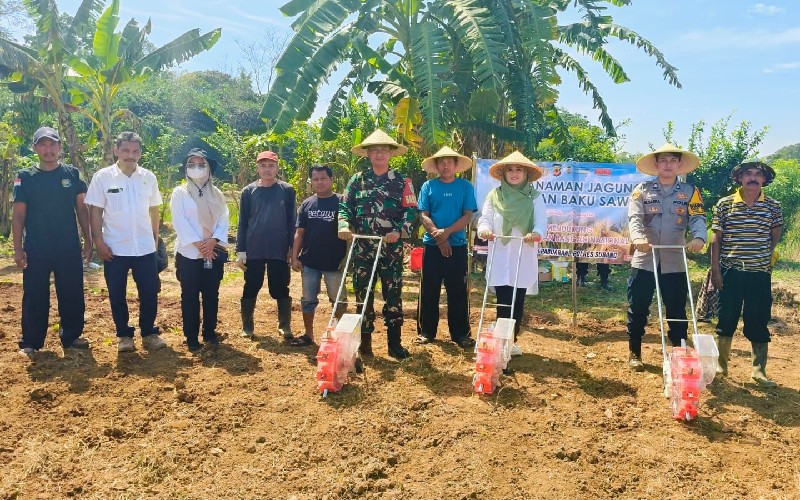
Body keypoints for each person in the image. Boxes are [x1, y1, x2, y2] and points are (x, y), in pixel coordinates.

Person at [12, 127, 92, 359]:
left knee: (72, 291)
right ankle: (31, 341)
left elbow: (82, 209)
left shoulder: (72, 174)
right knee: (35, 293)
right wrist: (18, 249)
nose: (48, 149)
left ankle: (71, 336)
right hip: (37, 247)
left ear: (60, 147)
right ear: (35, 148)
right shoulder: (25, 177)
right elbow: (18, 216)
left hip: (68, 246)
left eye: (53, 144)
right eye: (43, 145)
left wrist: (88, 239)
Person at [338, 130, 418, 360]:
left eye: (383, 150)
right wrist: (344, 226)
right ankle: (364, 344)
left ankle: (395, 344)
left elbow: (411, 211)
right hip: (363, 249)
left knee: (393, 296)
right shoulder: (357, 180)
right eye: (375, 150)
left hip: (391, 250)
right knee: (363, 297)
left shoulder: (403, 181)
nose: (379, 154)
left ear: (391, 153)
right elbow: (345, 207)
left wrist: (399, 231)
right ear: (368, 154)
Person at [626, 143, 706, 371]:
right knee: (638, 306)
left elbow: (698, 218)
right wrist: (638, 238)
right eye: (663, 160)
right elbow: (635, 218)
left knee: (677, 309)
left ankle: (680, 354)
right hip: (645, 257)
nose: (668, 164)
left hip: (674, 259)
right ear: (656, 164)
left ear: (680, 165)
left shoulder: (691, 191)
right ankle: (635, 352)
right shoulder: (642, 190)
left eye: (673, 160)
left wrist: (699, 238)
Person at [85, 131, 166, 353]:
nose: (130, 155)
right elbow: (96, 212)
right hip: (114, 248)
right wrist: (98, 242)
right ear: (116, 150)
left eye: (135, 151)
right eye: (125, 150)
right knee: (117, 293)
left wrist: (155, 240)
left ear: (140, 153)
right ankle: (124, 335)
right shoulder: (103, 177)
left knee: (149, 291)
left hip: (145, 247)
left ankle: (149, 332)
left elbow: (154, 211)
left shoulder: (148, 177)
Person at [711, 160, 782, 387]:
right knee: (727, 316)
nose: (752, 177)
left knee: (758, 318)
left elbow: (774, 236)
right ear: (739, 178)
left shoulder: (773, 206)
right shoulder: (724, 204)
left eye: (757, 174)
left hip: (760, 273)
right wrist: (715, 270)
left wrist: (763, 258)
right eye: (747, 174)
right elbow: (716, 240)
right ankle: (721, 366)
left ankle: (758, 371)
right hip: (731, 272)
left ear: (764, 179)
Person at [477, 151, 547, 357]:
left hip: (522, 253)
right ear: (504, 174)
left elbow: (542, 222)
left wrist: (536, 233)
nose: (514, 174)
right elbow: (485, 218)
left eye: (519, 170)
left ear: (526, 173)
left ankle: (511, 339)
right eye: (510, 170)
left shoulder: (535, 197)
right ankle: (501, 344)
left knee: (517, 301)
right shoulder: (494, 196)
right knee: (502, 300)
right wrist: (484, 230)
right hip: (500, 252)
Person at [415, 146, 478, 349]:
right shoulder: (428, 186)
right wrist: (439, 238)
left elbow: (468, 215)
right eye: (441, 162)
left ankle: (461, 334)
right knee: (429, 290)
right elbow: (424, 214)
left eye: (449, 161)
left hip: (458, 246)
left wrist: (448, 233)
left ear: (456, 165)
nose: (445, 165)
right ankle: (426, 332)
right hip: (432, 246)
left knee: (458, 290)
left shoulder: (465, 186)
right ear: (436, 165)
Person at [170, 149, 229, 352]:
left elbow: (223, 218)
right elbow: (180, 221)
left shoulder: (217, 194)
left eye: (201, 164)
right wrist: (199, 245)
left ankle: (210, 332)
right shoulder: (180, 193)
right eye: (191, 164)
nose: (196, 168)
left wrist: (213, 241)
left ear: (209, 168)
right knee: (190, 295)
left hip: (213, 252)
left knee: (212, 294)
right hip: (189, 254)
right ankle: (191, 337)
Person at [236, 150, 296, 340]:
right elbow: (243, 222)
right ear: (257, 168)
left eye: (271, 166)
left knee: (280, 286)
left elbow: (291, 221)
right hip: (254, 248)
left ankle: (284, 325)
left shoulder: (287, 190)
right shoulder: (249, 191)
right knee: (251, 285)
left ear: (277, 168)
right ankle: (247, 326)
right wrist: (241, 250)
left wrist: (291, 248)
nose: (267, 169)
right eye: (263, 166)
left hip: (279, 249)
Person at [289, 165, 347, 347]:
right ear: (311, 182)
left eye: (323, 178)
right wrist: (294, 257)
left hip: (334, 263)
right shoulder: (307, 204)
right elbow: (300, 232)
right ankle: (308, 335)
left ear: (331, 180)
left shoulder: (342, 202)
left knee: (339, 301)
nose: (319, 182)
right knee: (308, 300)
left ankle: (339, 336)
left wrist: (347, 260)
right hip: (310, 262)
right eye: (315, 179)